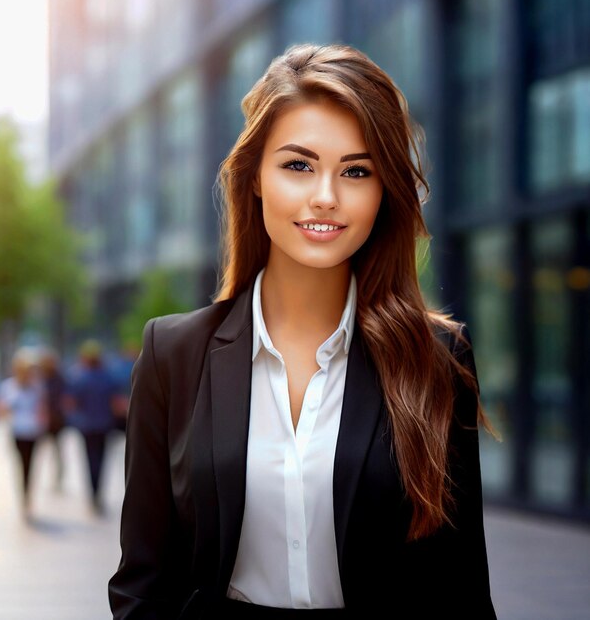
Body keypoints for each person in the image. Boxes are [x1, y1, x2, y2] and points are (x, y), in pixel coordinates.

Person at [108, 43, 498, 619]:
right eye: (298, 165)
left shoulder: (437, 358)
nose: (326, 197)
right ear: (256, 177)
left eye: (357, 171)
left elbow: (460, 588)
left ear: (383, 190)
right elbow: (144, 579)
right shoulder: (174, 353)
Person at [64, 339, 124, 515]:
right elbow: (117, 403)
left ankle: (93, 493)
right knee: (102, 459)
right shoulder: (108, 377)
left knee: (89, 459)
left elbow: (70, 403)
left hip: (86, 425)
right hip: (104, 424)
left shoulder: (78, 377)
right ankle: (98, 493)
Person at [0, 346, 48, 521]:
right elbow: (1, 410)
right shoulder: (9, 387)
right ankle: (23, 494)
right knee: (21, 463)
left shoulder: (37, 387)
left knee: (30, 464)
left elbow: (42, 409)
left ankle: (28, 494)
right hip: (17, 431)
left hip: (32, 431)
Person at [38, 347, 68, 491]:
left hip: (56, 420)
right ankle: (41, 478)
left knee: (57, 450)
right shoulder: (39, 379)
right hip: (42, 421)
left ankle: (58, 478)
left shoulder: (59, 379)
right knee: (40, 451)